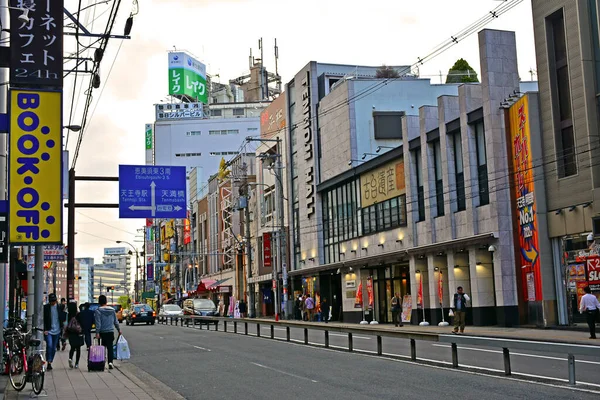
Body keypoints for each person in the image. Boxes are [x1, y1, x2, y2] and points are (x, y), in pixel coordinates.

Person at [94, 295, 121, 369]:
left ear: (99, 302)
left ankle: (102, 362)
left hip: (102, 332)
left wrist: (97, 332)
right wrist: (119, 329)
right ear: (106, 301)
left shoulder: (98, 311)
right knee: (110, 347)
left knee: (102, 347)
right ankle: (110, 362)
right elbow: (116, 322)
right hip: (110, 331)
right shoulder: (112, 310)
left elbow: (98, 323)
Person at [43, 293, 66, 370]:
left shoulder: (60, 307)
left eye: (54, 301)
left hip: (57, 330)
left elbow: (63, 318)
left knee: (53, 348)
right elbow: (44, 319)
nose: (52, 302)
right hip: (48, 330)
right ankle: (48, 361)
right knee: (49, 345)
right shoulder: (46, 307)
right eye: (51, 301)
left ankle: (50, 361)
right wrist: (45, 329)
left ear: (56, 300)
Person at [65, 302, 84, 368]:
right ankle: (76, 363)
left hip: (71, 333)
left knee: (72, 347)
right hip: (77, 333)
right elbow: (81, 323)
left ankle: (70, 358)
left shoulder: (68, 315)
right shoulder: (78, 314)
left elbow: (66, 324)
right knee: (78, 348)